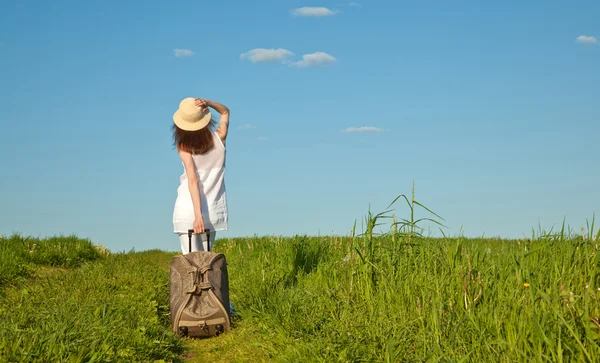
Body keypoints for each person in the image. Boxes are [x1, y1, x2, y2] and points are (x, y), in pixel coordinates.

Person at [171, 97, 230, 254]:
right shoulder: (220, 137)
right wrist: (209, 103)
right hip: (211, 210)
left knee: (190, 265)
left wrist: (197, 216)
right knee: (207, 266)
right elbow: (225, 111)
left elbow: (193, 181)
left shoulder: (183, 146)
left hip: (188, 209)